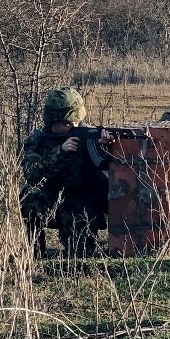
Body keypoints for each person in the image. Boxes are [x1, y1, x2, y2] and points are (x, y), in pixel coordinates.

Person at [21, 86, 114, 258]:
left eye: (77, 121)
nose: (74, 126)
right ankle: (35, 252)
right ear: (51, 122)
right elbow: (31, 174)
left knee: (80, 255)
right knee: (29, 194)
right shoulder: (37, 141)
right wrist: (60, 153)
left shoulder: (89, 136)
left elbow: (106, 169)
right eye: (67, 123)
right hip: (52, 201)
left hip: (81, 204)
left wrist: (104, 147)